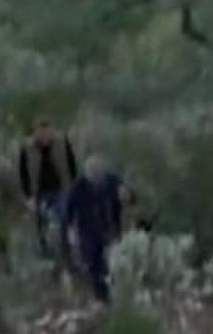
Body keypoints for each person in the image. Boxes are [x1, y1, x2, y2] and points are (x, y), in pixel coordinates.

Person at [64, 160, 129, 303]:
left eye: (99, 176)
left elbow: (129, 198)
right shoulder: (78, 188)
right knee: (93, 263)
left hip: (110, 227)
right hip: (87, 231)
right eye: (93, 176)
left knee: (112, 262)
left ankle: (115, 294)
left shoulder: (112, 181)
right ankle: (100, 296)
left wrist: (125, 195)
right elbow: (69, 213)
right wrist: (70, 232)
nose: (96, 180)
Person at [17, 118, 79, 262]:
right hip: (39, 192)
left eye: (47, 132)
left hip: (61, 189)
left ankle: (66, 254)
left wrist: (72, 187)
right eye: (41, 133)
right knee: (42, 224)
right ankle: (46, 255)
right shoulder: (27, 148)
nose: (44, 136)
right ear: (35, 133)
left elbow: (72, 165)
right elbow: (23, 174)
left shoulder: (62, 143)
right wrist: (28, 196)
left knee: (64, 218)